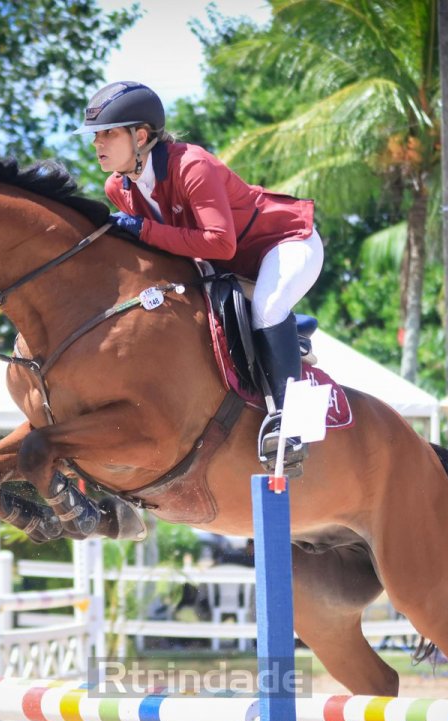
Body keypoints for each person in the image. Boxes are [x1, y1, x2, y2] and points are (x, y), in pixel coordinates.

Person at [75, 81, 324, 469]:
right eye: (96, 136)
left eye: (108, 133)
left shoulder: (192, 165)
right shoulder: (118, 188)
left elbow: (219, 242)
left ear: (141, 136)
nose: (97, 144)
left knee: (269, 307)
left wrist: (140, 230)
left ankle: (289, 424)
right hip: (222, 268)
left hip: (284, 243)